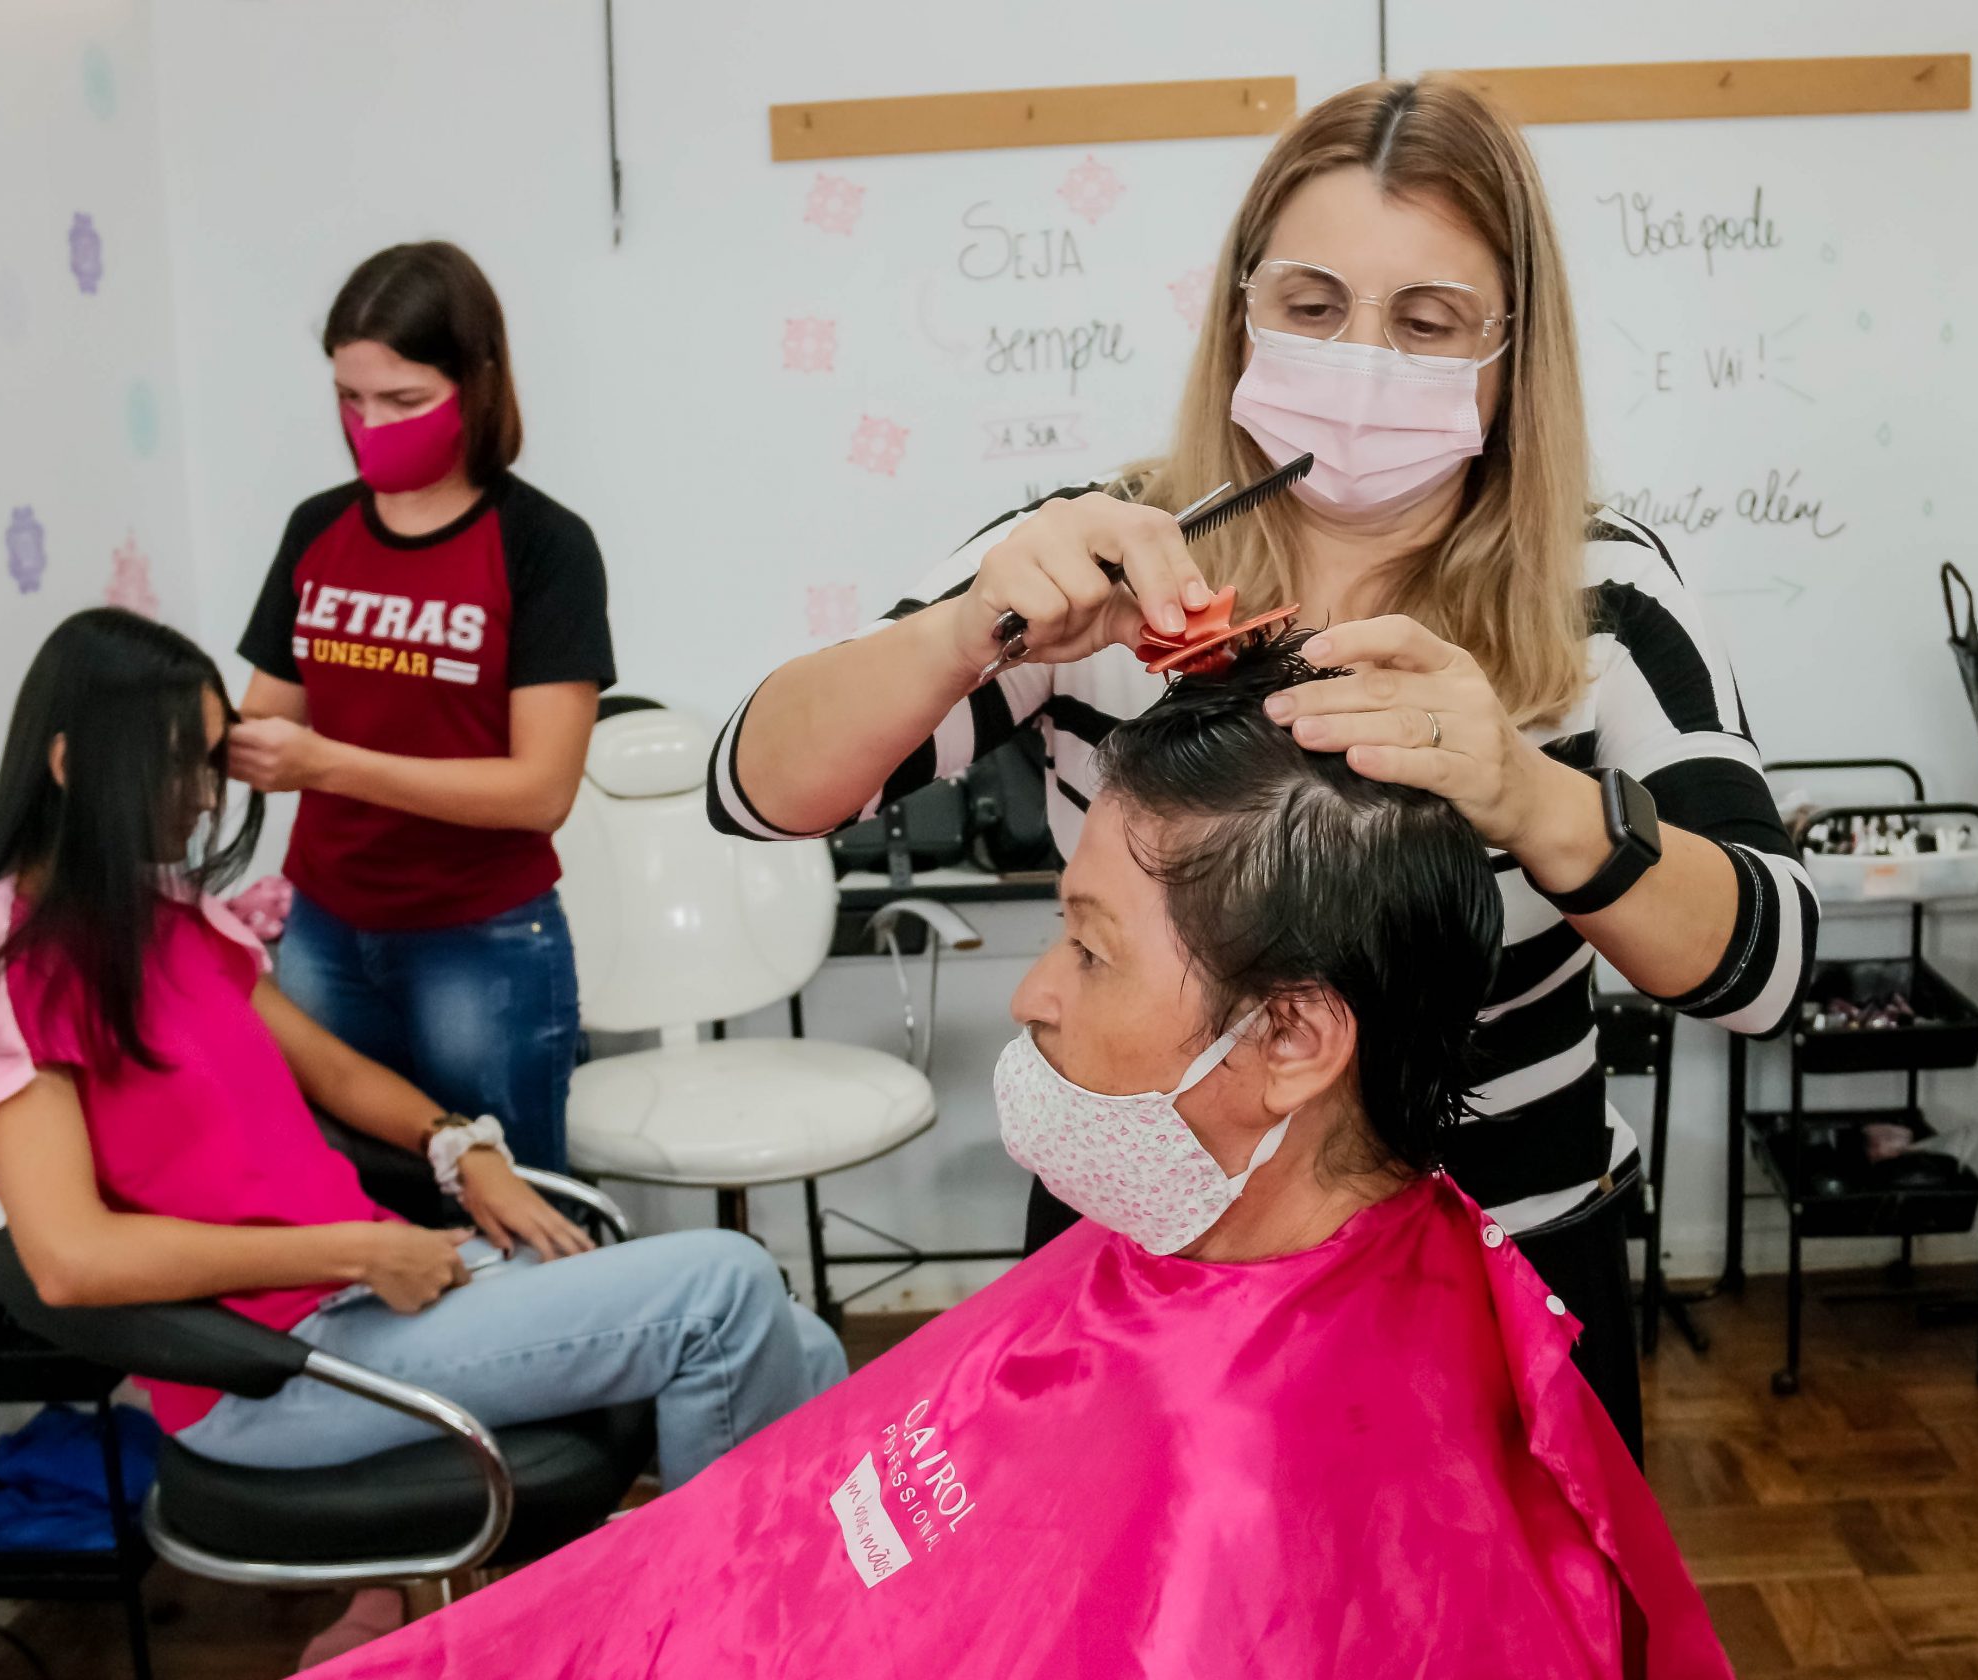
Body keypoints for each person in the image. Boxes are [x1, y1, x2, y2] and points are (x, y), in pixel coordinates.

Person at [252, 635, 1746, 1680]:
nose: (1032, 997)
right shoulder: (1195, 1237)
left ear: (1290, 1033)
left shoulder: (1297, 1487)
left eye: (1088, 947)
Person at [708, 76, 1819, 1461]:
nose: (1362, 358)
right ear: (1240, 304)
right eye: (1310, 304)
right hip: (1147, 1268)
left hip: (1501, 1284)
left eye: (1426, 324)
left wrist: (1531, 795)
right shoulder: (1106, 554)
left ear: (1509, 350)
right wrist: (969, 630)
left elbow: (1768, 965)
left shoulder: (1598, 596)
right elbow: (756, 786)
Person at [0, 611, 844, 1663]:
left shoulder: (157, 920)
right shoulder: (8, 975)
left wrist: (459, 1146)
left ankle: (793, 1614)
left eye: (210, 763)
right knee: (721, 1287)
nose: (205, 797)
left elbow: (336, 1072)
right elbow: (71, 1261)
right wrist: (355, 1251)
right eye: (177, 767)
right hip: (275, 1365)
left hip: (373, 1289)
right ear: (72, 763)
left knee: (795, 1339)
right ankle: (715, 1643)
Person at [233, 241, 611, 1173]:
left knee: (514, 1204)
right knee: (359, 1198)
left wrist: (327, 764)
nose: (370, 425)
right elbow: (262, 713)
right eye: (349, 400)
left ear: (478, 384)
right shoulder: (316, 528)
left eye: (403, 401)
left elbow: (539, 791)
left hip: (478, 944)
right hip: (322, 929)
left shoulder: (544, 546)